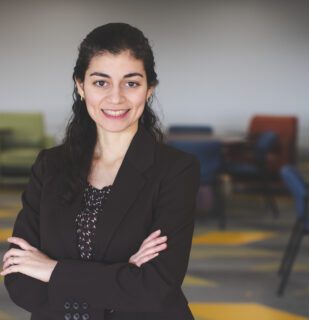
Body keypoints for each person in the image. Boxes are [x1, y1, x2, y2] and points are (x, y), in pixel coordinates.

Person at [1, 23, 200, 320]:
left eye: (131, 83)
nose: (116, 97)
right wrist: (124, 274)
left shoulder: (176, 170)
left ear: (149, 90)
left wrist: (51, 270)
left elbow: (156, 288)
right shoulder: (49, 166)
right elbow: (21, 283)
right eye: (101, 82)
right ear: (80, 86)